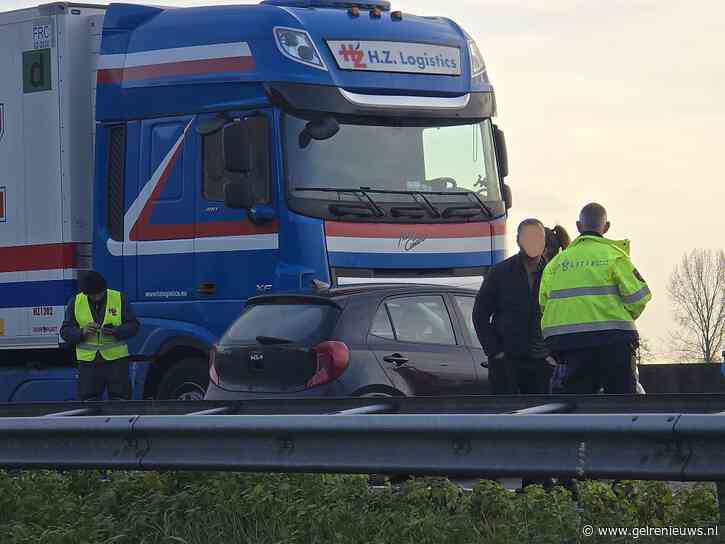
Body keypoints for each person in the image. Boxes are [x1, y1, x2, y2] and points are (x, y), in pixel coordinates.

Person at [539, 203, 651, 394]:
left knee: (576, 405)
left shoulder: (556, 263)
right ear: (606, 227)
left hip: (566, 344)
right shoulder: (615, 256)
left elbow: (544, 304)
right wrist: (617, 317)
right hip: (613, 341)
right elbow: (640, 297)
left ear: (578, 226)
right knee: (622, 402)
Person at [473, 218, 557, 395]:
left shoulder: (555, 273)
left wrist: (553, 354)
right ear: (518, 240)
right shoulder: (499, 272)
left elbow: (565, 314)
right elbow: (479, 314)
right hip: (506, 361)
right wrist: (495, 352)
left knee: (540, 418)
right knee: (504, 417)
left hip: (541, 361)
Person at [60, 271, 139, 401]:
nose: (96, 297)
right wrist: (82, 332)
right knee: (89, 404)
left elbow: (134, 326)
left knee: (120, 402)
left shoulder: (119, 298)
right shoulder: (76, 302)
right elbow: (65, 331)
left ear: (104, 289)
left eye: (99, 294)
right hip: (88, 364)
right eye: (92, 295)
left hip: (116, 362)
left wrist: (116, 331)